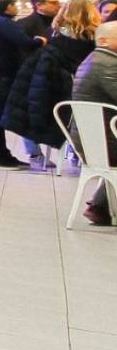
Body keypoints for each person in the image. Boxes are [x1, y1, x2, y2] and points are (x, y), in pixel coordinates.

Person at [3, 0, 98, 171]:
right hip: (80, 91)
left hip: (47, 87)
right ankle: (78, 154)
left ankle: (35, 154)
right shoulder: (96, 40)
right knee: (83, 116)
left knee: (27, 110)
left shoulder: (52, 35)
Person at [0, 0, 44, 169]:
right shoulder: (3, 23)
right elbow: (25, 43)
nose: (16, 7)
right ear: (6, 6)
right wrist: (40, 41)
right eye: (13, 3)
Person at [73, 21, 117, 225]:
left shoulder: (95, 59)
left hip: (95, 139)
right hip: (104, 142)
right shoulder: (107, 64)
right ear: (103, 40)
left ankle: (99, 206)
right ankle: (99, 207)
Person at [15, 0, 63, 166]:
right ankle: (34, 153)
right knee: (30, 114)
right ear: (39, 5)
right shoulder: (25, 24)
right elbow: (20, 51)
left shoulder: (61, 24)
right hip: (32, 75)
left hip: (56, 75)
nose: (58, 5)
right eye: (53, 2)